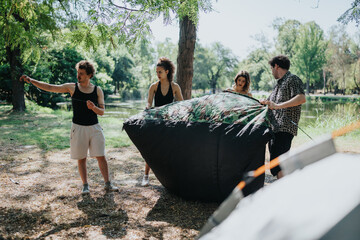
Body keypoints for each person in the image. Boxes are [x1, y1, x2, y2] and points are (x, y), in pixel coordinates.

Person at [20, 60, 118, 194]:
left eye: (82, 74)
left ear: (89, 75)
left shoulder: (97, 90)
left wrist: (93, 108)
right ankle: (85, 185)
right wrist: (31, 81)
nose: (79, 76)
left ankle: (108, 183)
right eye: (78, 73)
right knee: (81, 157)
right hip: (78, 128)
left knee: (101, 155)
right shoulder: (72, 87)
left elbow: (102, 112)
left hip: (94, 128)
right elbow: (50, 87)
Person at [260, 55, 306, 179]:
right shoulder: (278, 85)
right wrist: (265, 102)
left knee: (280, 165)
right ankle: (283, 190)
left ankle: (285, 192)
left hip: (285, 129)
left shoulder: (292, 79)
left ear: (276, 66)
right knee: (275, 165)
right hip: (274, 129)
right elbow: (271, 103)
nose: (272, 71)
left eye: (271, 68)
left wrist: (278, 106)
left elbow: (301, 98)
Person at [141, 57, 184, 186]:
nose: (158, 74)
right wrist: (148, 107)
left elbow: (182, 104)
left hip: (169, 123)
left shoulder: (175, 87)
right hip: (156, 121)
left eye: (160, 72)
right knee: (151, 149)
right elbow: (149, 102)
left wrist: (176, 109)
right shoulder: (153, 86)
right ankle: (146, 176)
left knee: (169, 150)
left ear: (167, 72)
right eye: (156, 72)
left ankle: (170, 179)